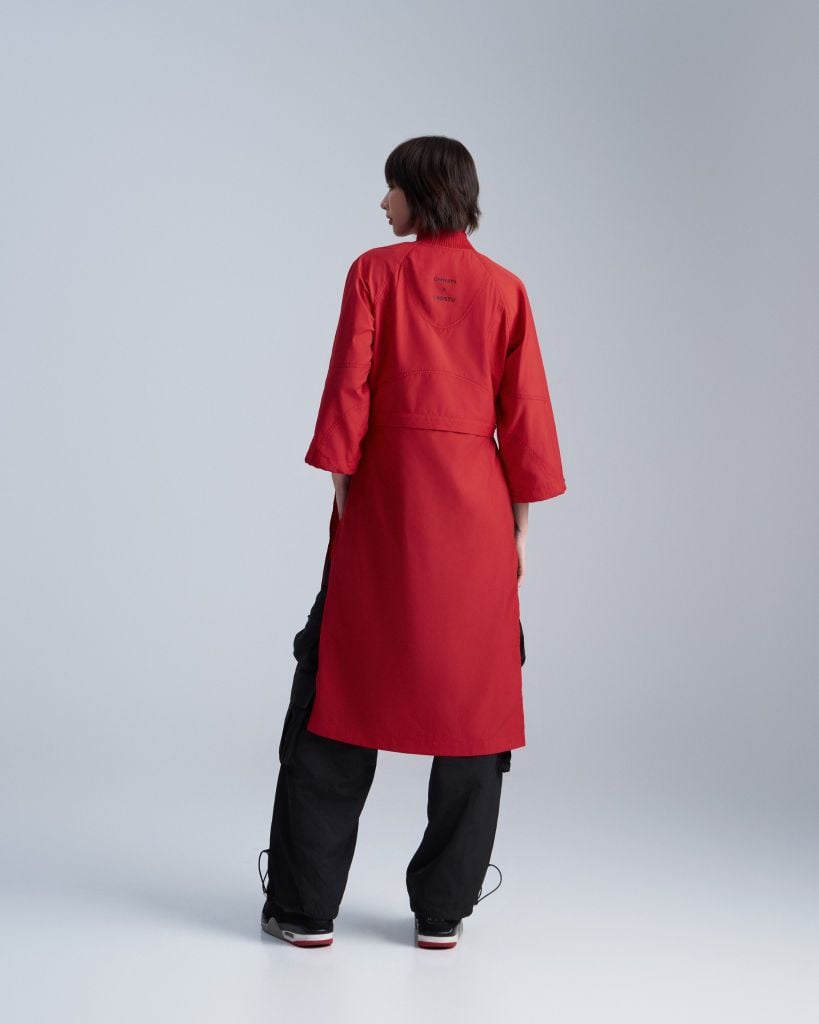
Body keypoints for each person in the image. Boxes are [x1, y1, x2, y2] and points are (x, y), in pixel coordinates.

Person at [258, 135, 567, 949]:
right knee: (475, 709)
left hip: (385, 507)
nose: (381, 203)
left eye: (390, 188)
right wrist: (519, 532)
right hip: (476, 514)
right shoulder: (505, 289)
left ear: (419, 192)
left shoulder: (373, 273)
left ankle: (304, 909)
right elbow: (526, 419)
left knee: (336, 693)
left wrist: (349, 505)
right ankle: (442, 912)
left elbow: (346, 398)